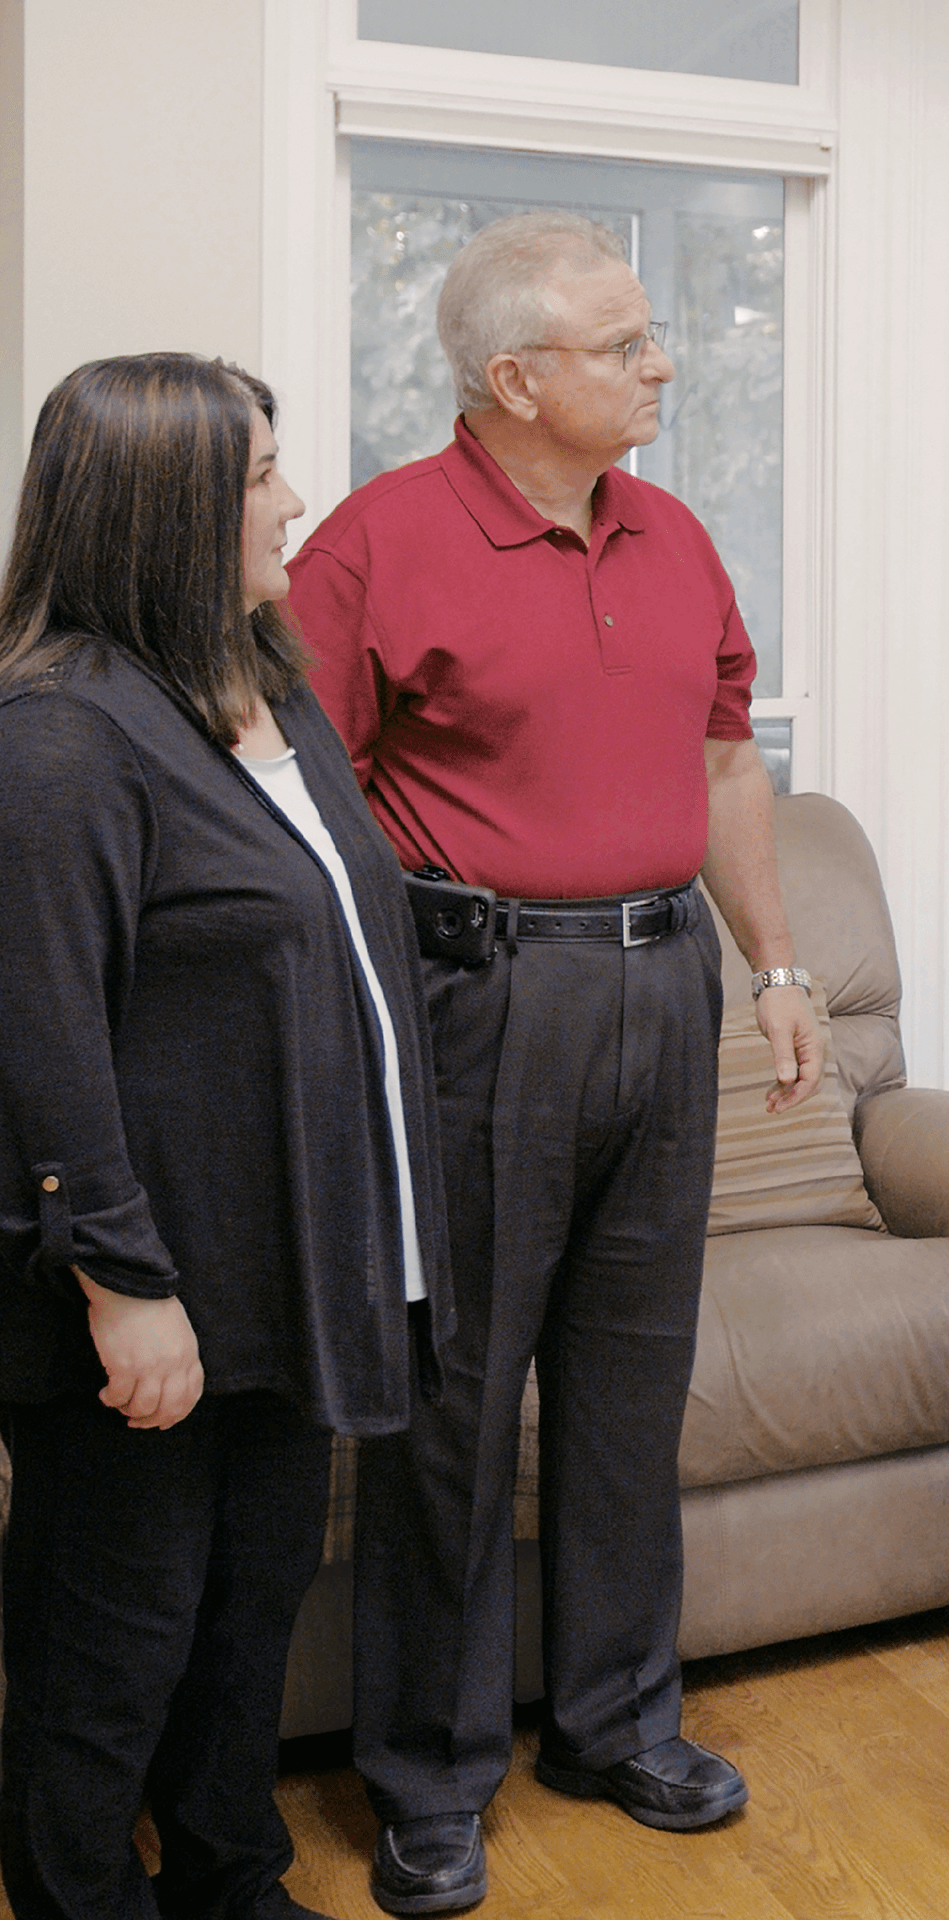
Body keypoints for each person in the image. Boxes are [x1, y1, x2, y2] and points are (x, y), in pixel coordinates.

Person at [285, 211, 820, 1917]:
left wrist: (780, 967)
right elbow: (304, 803)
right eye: (627, 342)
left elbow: (729, 765)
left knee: (627, 1383)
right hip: (478, 1007)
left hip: (667, 995)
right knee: (456, 1403)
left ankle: (613, 1721)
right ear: (515, 376)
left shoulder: (675, 534)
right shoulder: (375, 545)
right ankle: (430, 1777)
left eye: (654, 336)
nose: (665, 363)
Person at [0, 354, 450, 1920]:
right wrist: (124, 1284)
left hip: (288, 1264)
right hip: (147, 1294)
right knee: (110, 1644)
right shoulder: (59, 736)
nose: (296, 498)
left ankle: (230, 1877)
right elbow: (39, 1042)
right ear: (165, 505)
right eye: (263, 474)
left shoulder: (269, 690)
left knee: (252, 1608)